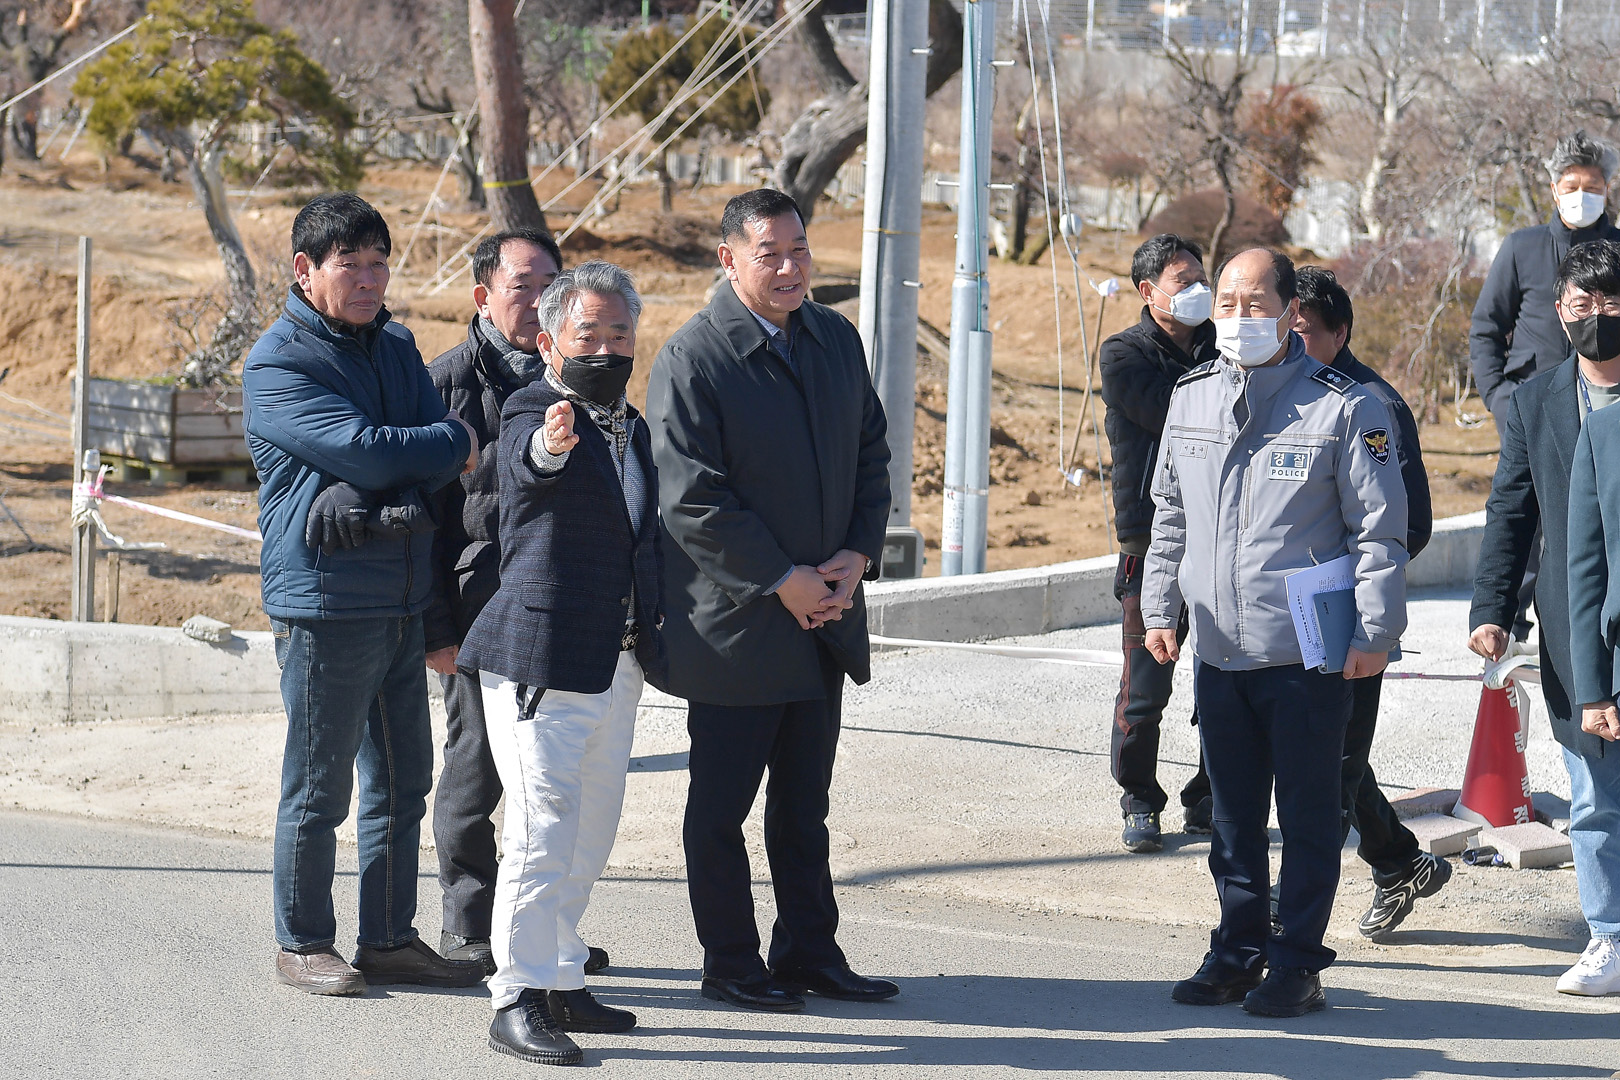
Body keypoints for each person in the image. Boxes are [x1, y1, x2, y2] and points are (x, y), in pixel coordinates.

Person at [1142, 248, 1408, 1018]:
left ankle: (1297, 962)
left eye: (1256, 303)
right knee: (1231, 818)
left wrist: (1374, 630)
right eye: (1225, 302)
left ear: (1291, 312)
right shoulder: (1190, 396)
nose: (1238, 317)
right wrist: (1160, 608)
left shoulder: (1346, 407)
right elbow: (1170, 517)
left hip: (1307, 653)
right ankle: (1236, 950)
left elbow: (1380, 533)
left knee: (1309, 815)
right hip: (1220, 649)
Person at [647, 188, 895, 1012]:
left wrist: (857, 553)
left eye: (800, 250)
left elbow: (871, 452)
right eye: (769, 254)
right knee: (721, 811)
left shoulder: (834, 338)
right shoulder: (694, 358)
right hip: (738, 628)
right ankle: (730, 961)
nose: (790, 268)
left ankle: (809, 952)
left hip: (824, 616)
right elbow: (691, 499)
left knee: (803, 807)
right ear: (729, 259)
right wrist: (783, 580)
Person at [243, 192, 485, 995]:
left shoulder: (397, 344)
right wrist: (419, 454)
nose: (371, 279)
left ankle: (387, 938)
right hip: (324, 601)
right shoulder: (277, 362)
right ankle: (303, 943)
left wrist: (388, 474)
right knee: (320, 787)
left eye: (380, 263)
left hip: (401, 595)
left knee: (404, 781)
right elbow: (376, 449)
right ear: (305, 270)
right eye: (351, 264)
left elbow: (434, 452)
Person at [456, 261, 666, 1065]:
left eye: (620, 333)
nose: (607, 348)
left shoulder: (633, 426)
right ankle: (515, 995)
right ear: (548, 343)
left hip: (617, 660)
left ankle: (562, 974)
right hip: (540, 659)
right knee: (542, 828)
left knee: (589, 832)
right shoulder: (531, 409)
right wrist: (550, 445)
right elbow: (523, 465)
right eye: (588, 334)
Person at [421, 228, 599, 977]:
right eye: (522, 285)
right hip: (476, 609)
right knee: (475, 769)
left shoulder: (579, 378)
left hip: (559, 608)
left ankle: (544, 932)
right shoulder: (444, 383)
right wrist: (436, 628)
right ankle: (468, 924)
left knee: (555, 779)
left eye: (551, 285)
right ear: (483, 295)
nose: (537, 300)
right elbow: (427, 523)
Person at [1478, 239, 1620, 996]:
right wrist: (1493, 608)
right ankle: (1609, 936)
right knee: (1593, 794)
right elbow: (1511, 512)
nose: (1597, 315)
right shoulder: (1537, 401)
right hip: (1576, 627)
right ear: (1560, 312)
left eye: (1611, 301)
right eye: (1582, 303)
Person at [1293, 267, 1451, 938]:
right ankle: (1399, 862)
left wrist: (1352, 585)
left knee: (1328, 766)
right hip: (1287, 612)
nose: (1287, 340)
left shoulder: (1373, 405)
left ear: (1340, 333)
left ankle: (1292, 919)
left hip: (1347, 611)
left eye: (1302, 330)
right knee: (1325, 753)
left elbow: (1409, 525)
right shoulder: (1281, 394)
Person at [1471, 130, 1620, 642]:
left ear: (1608, 188)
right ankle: (1512, 627)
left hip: (1608, 402)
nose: (1582, 195)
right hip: (1535, 408)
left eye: (1593, 186)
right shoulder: (1522, 247)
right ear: (1554, 189)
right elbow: (1486, 328)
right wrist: (1499, 398)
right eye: (1571, 185)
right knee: (1527, 513)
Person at [1099, 232, 1216, 853]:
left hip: (1224, 540)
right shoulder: (1124, 354)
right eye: (1183, 281)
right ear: (1149, 291)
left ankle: (1210, 796)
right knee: (1145, 688)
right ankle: (1140, 799)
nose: (1199, 290)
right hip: (1151, 544)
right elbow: (1183, 417)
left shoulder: (1224, 346)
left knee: (1224, 684)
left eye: (1202, 278)